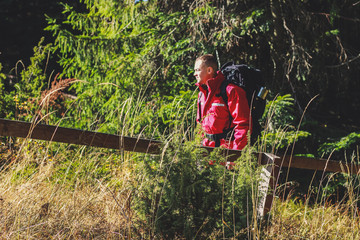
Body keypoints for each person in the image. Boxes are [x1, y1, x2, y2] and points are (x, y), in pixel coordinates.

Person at [194, 54, 251, 151]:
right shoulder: (201, 94)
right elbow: (200, 124)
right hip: (206, 150)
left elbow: (243, 125)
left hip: (226, 152)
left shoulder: (231, 91)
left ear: (209, 70)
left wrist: (235, 156)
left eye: (197, 70)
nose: (194, 74)